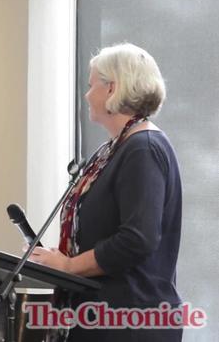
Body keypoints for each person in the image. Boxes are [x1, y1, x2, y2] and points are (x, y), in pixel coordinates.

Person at [28, 43, 183, 341]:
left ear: (112, 89)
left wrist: (71, 266)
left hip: (130, 321)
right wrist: (59, 259)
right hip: (103, 316)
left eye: (91, 86)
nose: (86, 95)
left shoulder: (143, 149)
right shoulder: (114, 148)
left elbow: (137, 239)